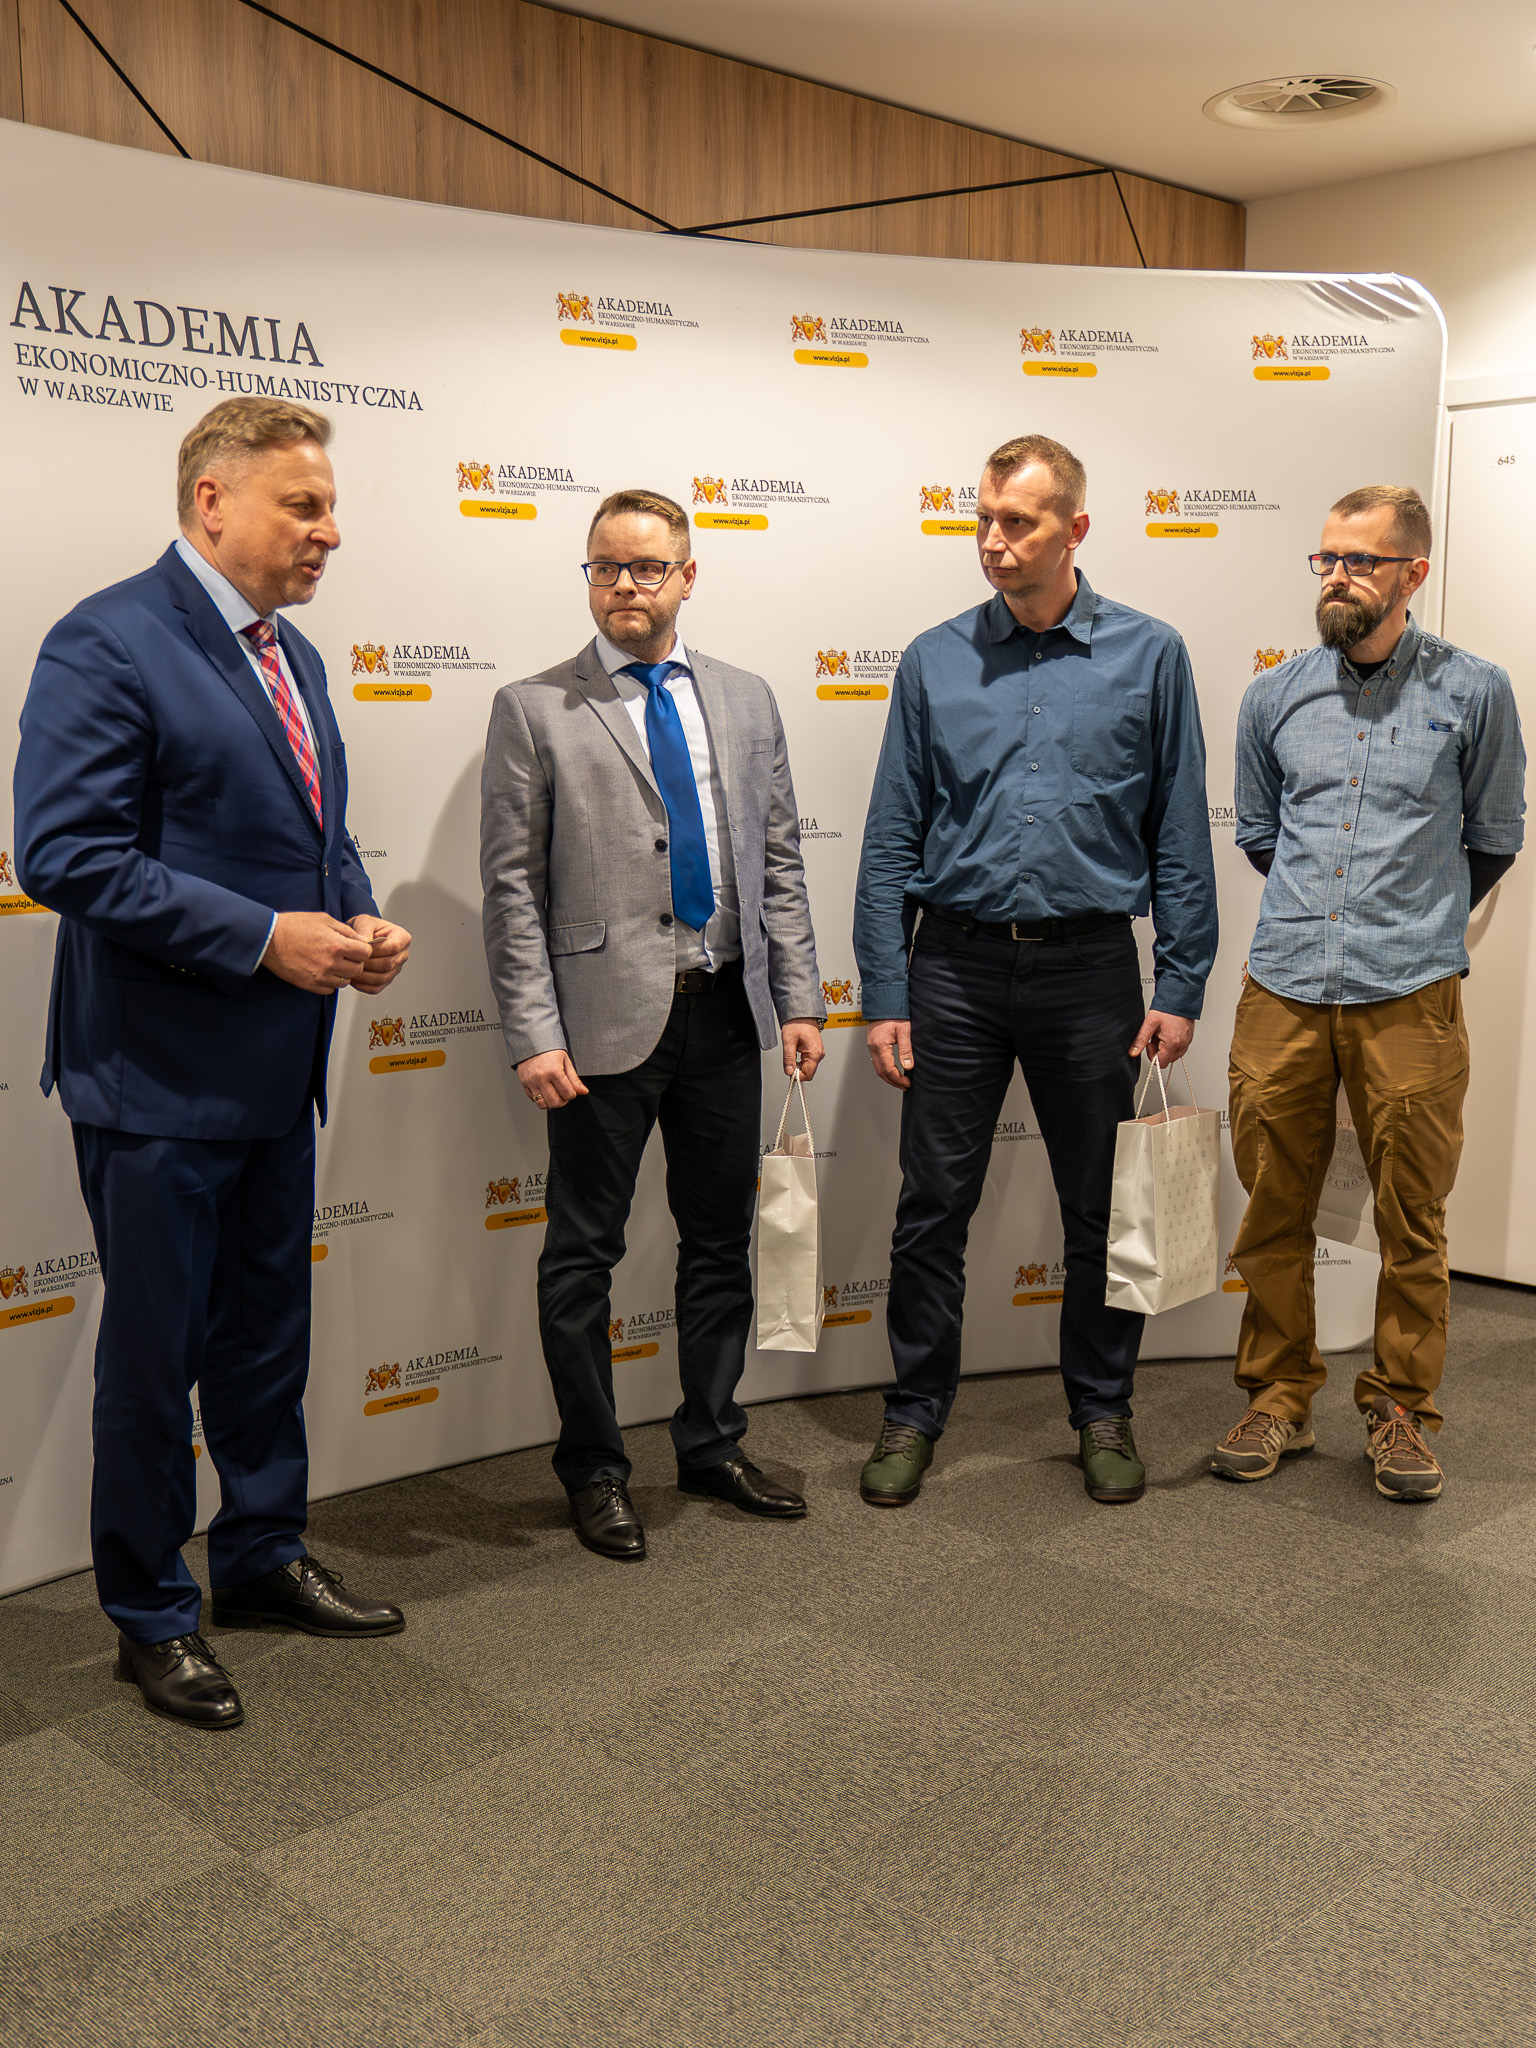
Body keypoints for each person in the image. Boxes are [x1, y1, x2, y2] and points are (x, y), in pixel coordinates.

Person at [13, 398, 411, 1731]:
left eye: (330, 506)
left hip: (278, 1073)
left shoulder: (292, 655)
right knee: (153, 1364)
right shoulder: (108, 638)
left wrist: (355, 919)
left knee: (263, 1341)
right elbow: (63, 853)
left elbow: (315, 836)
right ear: (212, 502)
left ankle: (259, 1554)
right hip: (158, 1084)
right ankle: (151, 1612)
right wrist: (259, 938)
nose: (330, 531)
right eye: (304, 505)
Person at [853, 433, 1216, 1508]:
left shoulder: (1151, 654)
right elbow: (890, 837)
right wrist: (885, 991)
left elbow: (1180, 833)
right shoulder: (933, 659)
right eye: (984, 519)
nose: (993, 541)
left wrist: (1181, 982)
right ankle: (914, 1411)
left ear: (1076, 529)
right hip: (953, 969)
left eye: (1018, 521)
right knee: (931, 1207)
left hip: (1092, 970)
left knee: (1101, 1208)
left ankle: (1102, 1408)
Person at [480, 487, 825, 1560]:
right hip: (598, 1029)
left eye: (644, 567)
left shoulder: (747, 699)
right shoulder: (535, 707)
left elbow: (779, 862)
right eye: (604, 567)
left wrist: (800, 997)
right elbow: (511, 889)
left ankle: (713, 1440)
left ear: (686, 575)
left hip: (725, 1014)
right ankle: (594, 1469)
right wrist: (534, 1032)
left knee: (720, 1243)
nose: (623, 585)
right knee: (582, 1254)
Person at [1215, 484, 1524, 1501]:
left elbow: (1495, 836)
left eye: (1360, 561)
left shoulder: (1475, 690)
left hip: (1412, 990)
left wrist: (1411, 921)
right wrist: (1326, 917)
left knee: (1412, 1215)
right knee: (1272, 1206)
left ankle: (1401, 1409)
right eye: (1327, 559)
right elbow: (1260, 832)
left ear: (1412, 574)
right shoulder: (1273, 695)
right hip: (1286, 983)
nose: (1336, 577)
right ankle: (1278, 1394)